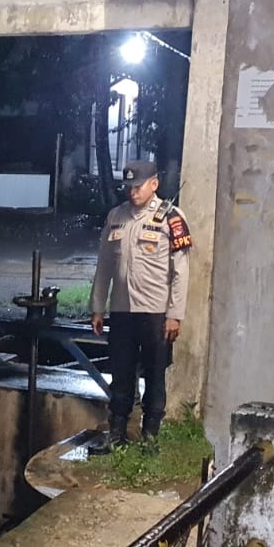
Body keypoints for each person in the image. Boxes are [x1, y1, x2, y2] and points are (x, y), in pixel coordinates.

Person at [87, 161, 192, 454]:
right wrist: (98, 307)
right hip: (122, 310)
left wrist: (175, 314)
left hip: (155, 312)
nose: (133, 192)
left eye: (139, 186)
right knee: (120, 373)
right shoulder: (116, 217)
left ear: (154, 184)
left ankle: (150, 438)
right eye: (130, 187)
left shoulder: (171, 218)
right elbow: (105, 265)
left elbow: (180, 271)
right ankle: (117, 432)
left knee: (155, 375)